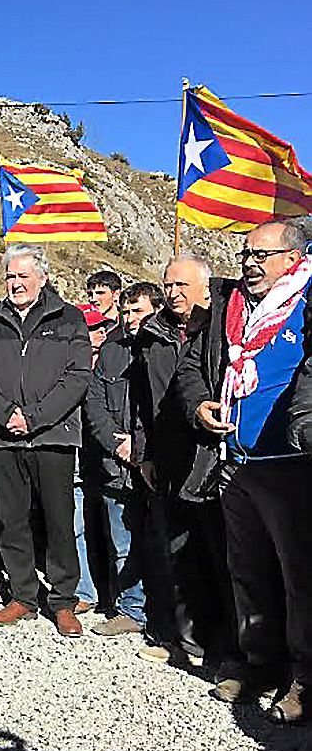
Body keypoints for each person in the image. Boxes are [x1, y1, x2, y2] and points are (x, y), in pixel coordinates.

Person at [180, 219, 312, 724]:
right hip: (234, 461)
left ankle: (304, 676)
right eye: (246, 254)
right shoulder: (228, 308)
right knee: (248, 571)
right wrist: (197, 408)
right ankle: (258, 662)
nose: (250, 263)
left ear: (293, 259)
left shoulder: (304, 302)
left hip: (289, 463)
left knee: (299, 577)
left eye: (262, 254)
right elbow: (191, 368)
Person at [0, 244, 91, 637]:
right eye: (10, 277)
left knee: (58, 522)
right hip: (5, 440)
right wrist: (6, 415)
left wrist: (34, 417)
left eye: (23, 276)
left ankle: (64, 600)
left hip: (53, 436)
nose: (15, 283)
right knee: (12, 521)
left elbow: (77, 376)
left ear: (43, 277)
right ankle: (22, 595)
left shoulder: (69, 319)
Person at [137, 255, 240, 671]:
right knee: (179, 556)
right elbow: (142, 401)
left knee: (224, 559)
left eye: (181, 285)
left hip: (216, 456)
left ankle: (231, 650)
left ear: (204, 288)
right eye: (167, 286)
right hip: (171, 456)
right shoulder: (153, 332)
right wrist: (145, 451)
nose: (173, 294)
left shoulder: (224, 327)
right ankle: (187, 640)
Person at [84, 283, 166, 637]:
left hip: (158, 464)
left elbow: (165, 405)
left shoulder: (166, 347)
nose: (131, 319)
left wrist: (143, 445)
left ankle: (167, 616)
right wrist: (117, 443)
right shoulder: (112, 349)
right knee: (122, 541)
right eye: (127, 311)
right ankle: (130, 609)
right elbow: (95, 400)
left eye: (139, 312)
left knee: (163, 543)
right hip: (116, 462)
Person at [72, 303, 118, 613]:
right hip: (77, 456)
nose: (100, 332)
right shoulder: (67, 365)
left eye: (101, 326)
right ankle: (84, 591)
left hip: (108, 458)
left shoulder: (115, 360)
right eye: (91, 328)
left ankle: (118, 596)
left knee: (114, 530)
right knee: (77, 527)